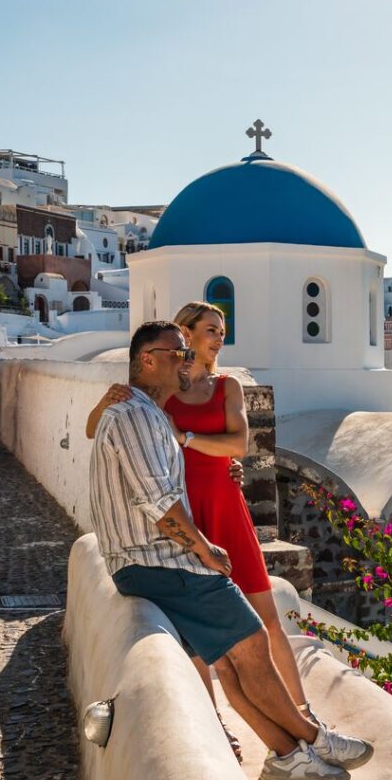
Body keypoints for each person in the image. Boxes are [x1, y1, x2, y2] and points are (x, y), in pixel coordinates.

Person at [88, 320, 372, 780]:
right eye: (176, 352)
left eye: (186, 351)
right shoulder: (136, 415)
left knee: (231, 659)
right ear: (147, 360)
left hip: (151, 559)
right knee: (253, 643)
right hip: (159, 560)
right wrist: (204, 549)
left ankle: (285, 755)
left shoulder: (147, 414)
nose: (185, 359)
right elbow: (157, 501)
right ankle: (313, 737)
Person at [87, 301, 316, 726]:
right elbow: (100, 429)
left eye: (221, 330)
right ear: (184, 334)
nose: (218, 337)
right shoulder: (161, 387)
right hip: (180, 507)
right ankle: (216, 725)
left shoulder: (226, 386)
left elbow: (238, 446)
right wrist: (105, 402)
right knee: (195, 635)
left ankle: (304, 712)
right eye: (210, 329)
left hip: (221, 502)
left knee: (264, 616)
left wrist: (186, 437)